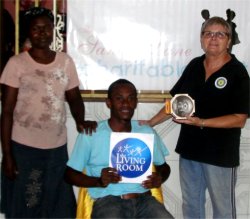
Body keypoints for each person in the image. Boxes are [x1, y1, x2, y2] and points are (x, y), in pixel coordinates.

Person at [142, 17, 249, 218]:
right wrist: (150, 123)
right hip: (190, 150)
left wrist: (201, 122)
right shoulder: (194, 65)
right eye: (208, 33)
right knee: (191, 205)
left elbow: (239, 118)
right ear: (201, 39)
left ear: (229, 40)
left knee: (223, 209)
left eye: (220, 34)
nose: (214, 38)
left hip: (220, 155)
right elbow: (174, 102)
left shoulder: (238, 72)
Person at [0, 7, 96, 218]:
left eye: (46, 28)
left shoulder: (65, 62)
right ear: (28, 32)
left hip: (56, 148)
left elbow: (74, 98)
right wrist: (7, 155)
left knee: (56, 206)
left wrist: (81, 120)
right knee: (27, 204)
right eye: (36, 29)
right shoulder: (16, 64)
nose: (42, 33)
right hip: (23, 148)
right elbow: (6, 112)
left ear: (53, 30)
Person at [65, 79, 174, 218]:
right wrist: (98, 181)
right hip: (109, 202)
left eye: (131, 98)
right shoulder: (92, 133)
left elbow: (164, 167)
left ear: (135, 103)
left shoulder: (146, 132)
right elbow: (69, 175)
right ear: (109, 103)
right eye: (119, 98)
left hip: (145, 200)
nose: (125, 104)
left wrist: (159, 177)